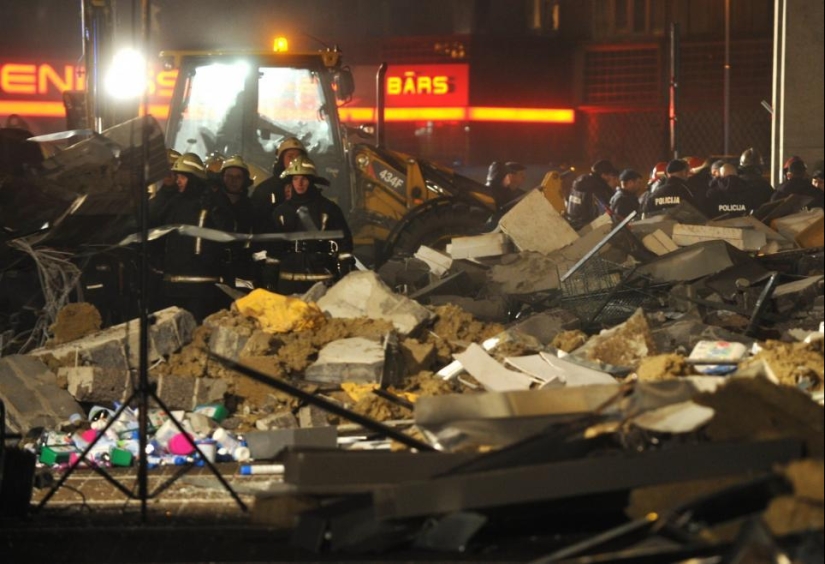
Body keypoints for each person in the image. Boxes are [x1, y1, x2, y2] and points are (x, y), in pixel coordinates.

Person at [150, 152, 235, 322]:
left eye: (182, 177)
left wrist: (215, 207)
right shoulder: (174, 202)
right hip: (173, 287)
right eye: (177, 177)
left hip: (202, 290)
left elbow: (226, 234)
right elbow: (154, 223)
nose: (177, 181)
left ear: (194, 178)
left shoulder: (213, 202)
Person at [264, 155, 354, 295]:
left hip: (321, 279)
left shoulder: (329, 209)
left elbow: (345, 244)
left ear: (311, 180)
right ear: (290, 181)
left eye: (304, 179)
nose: (299, 183)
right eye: (295, 178)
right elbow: (274, 251)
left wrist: (345, 273)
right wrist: (270, 280)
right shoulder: (281, 212)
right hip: (289, 280)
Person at [250, 137, 307, 230]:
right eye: (290, 156)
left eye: (299, 157)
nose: (295, 160)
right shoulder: (264, 190)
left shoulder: (310, 189)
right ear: (281, 160)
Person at [565, 159, 619, 230]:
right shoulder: (596, 188)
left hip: (574, 226)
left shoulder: (580, 184)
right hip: (588, 228)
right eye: (612, 176)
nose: (616, 181)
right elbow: (605, 214)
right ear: (603, 175)